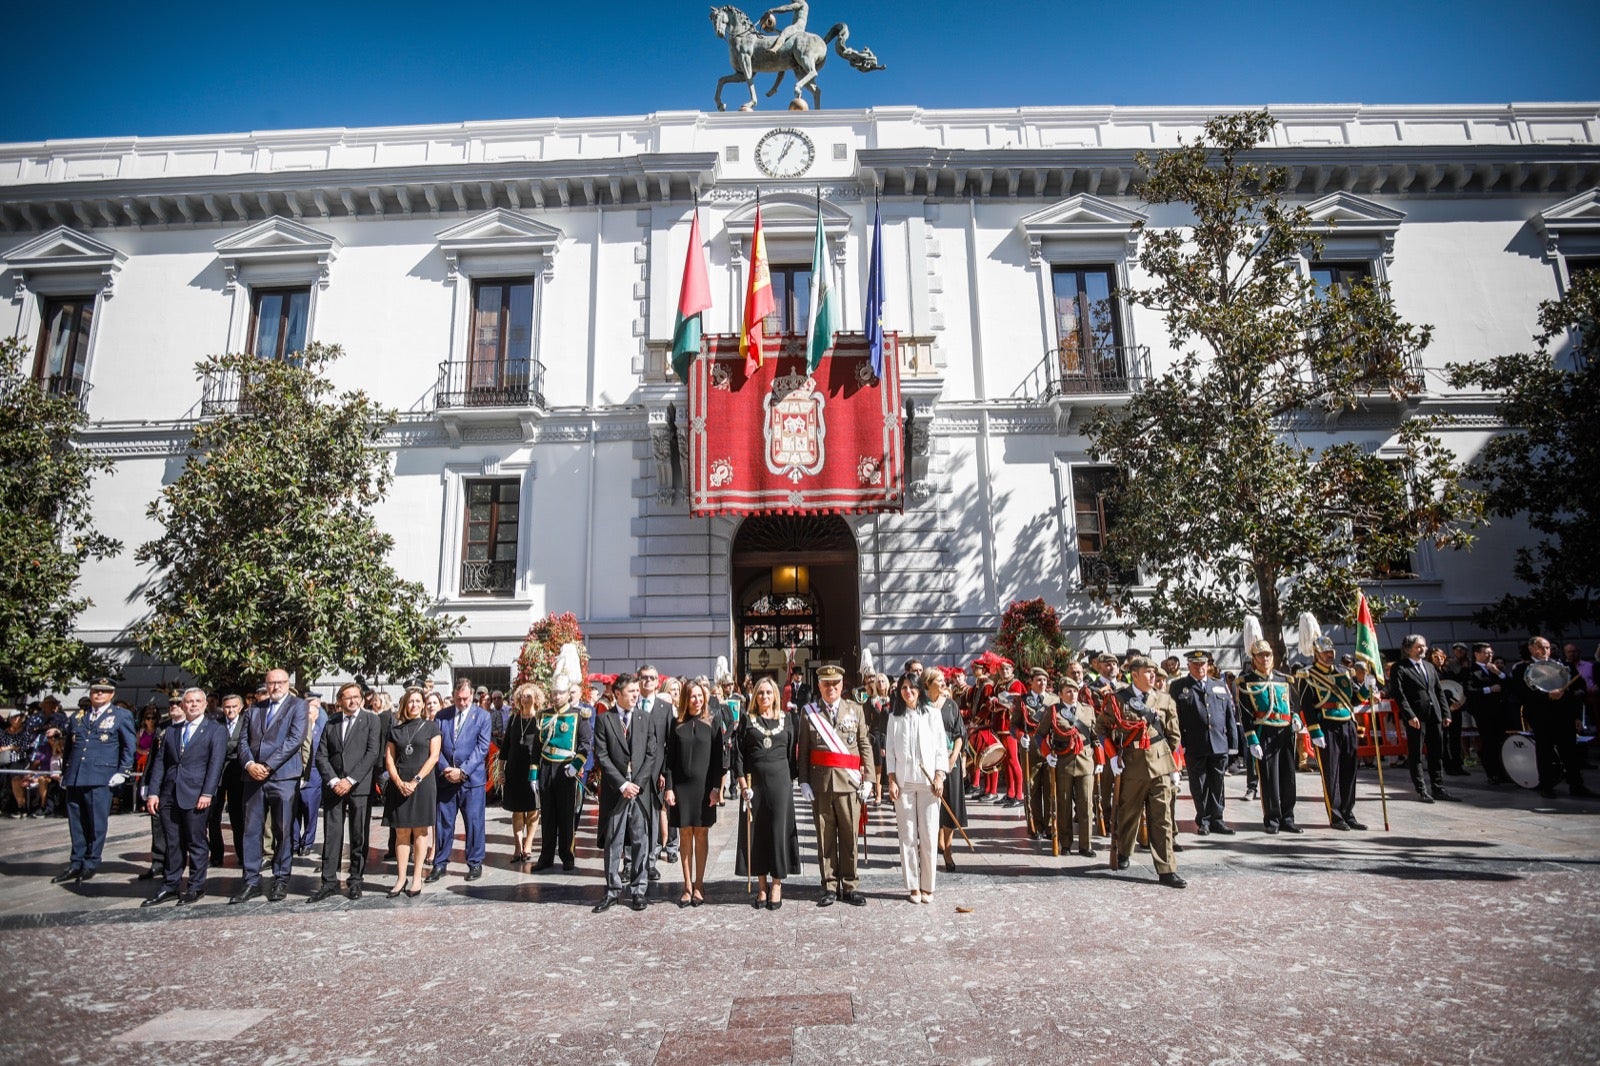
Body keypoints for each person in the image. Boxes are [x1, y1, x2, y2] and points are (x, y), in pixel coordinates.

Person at [1102, 656, 1186, 888]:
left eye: (1154, 672)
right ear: (1135, 675)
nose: (1153, 676)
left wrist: (1173, 766)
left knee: (1163, 819)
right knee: (1128, 815)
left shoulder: (1165, 700)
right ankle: (1123, 852)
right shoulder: (1119, 700)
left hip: (1160, 766)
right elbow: (1101, 729)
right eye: (1147, 672)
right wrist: (1111, 756)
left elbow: (1174, 736)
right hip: (1132, 765)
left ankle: (1167, 869)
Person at [798, 664, 874, 907]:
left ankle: (850, 885)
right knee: (825, 837)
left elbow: (864, 745)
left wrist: (870, 779)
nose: (831, 688)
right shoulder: (808, 712)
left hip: (849, 784)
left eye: (835, 684)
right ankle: (830, 885)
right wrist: (803, 781)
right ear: (819, 686)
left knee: (849, 837)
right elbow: (803, 751)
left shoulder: (856, 709)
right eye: (826, 684)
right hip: (821, 785)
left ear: (842, 685)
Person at [142, 688, 226, 907]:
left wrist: (208, 792)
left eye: (198, 701)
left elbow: (215, 764)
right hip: (170, 794)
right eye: (189, 702)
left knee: (196, 841)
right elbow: (161, 763)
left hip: (197, 794)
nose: (193, 705)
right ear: (183, 704)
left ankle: (196, 886)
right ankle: (170, 884)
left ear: (206, 704)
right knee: (173, 842)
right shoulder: (171, 731)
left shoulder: (214, 730)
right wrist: (153, 793)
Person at [233, 668, 308, 903]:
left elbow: (294, 740)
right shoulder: (254, 709)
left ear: (288, 683)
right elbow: (242, 741)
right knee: (251, 830)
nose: (275, 687)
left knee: (283, 830)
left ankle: (281, 878)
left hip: (283, 777)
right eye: (271, 683)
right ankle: (251, 880)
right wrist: (249, 765)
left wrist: (267, 765)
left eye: (280, 682)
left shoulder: (298, 706)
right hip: (253, 778)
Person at [54, 678, 136, 885]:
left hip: (101, 777)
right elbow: (70, 749)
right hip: (77, 776)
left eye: (103, 691)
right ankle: (76, 861)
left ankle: (91, 861)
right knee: (76, 823)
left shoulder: (120, 716)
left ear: (112, 694)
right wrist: (65, 772)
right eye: (95, 691)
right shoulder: (79, 717)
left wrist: (123, 771)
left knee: (96, 823)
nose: (98, 694)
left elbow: (128, 746)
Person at [307, 683, 383, 902]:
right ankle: (329, 881)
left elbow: (372, 753)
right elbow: (321, 754)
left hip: (358, 786)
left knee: (359, 834)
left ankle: (356, 880)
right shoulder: (331, 722)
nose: (352, 701)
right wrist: (333, 780)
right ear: (340, 700)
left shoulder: (371, 720)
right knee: (332, 835)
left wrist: (349, 780)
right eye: (347, 697)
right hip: (334, 788)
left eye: (356, 697)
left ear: (362, 698)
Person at [592, 673, 658, 913]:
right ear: (617, 694)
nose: (635, 695)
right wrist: (622, 784)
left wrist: (637, 784)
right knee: (614, 841)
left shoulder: (645, 718)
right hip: (616, 791)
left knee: (641, 840)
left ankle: (639, 890)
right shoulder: (604, 720)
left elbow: (651, 754)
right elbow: (601, 755)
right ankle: (612, 890)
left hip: (639, 792)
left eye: (636, 692)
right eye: (631, 692)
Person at [733, 677, 800, 909]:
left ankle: (777, 884)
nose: (764, 697)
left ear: (776, 696)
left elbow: (792, 754)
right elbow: (739, 756)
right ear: (755, 697)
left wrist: (790, 780)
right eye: (760, 693)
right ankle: (762, 886)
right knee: (757, 833)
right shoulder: (747, 720)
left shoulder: (788, 719)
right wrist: (743, 785)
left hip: (780, 785)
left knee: (778, 832)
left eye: (768, 693)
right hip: (755, 786)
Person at [884, 672, 948, 904]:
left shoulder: (932, 714)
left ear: (919, 690)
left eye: (912, 687)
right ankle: (913, 886)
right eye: (903, 688)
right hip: (904, 784)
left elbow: (942, 748)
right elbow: (890, 752)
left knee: (930, 835)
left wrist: (940, 776)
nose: (908, 691)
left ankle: (928, 886)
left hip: (929, 785)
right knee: (908, 836)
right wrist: (891, 780)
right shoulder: (895, 718)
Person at [663, 678, 726, 907]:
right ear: (685, 699)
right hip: (681, 788)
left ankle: (699, 883)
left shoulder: (712, 721)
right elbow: (668, 760)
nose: (697, 700)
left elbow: (720, 759)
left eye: (700, 696)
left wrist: (716, 789)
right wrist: (669, 787)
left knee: (701, 834)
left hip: (704, 789)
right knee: (685, 835)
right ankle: (687, 885)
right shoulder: (676, 723)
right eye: (692, 696)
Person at [1299, 638, 1368, 830]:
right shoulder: (1308, 676)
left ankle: (1349, 812)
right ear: (1316, 654)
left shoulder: (1344, 672)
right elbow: (1307, 706)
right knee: (1332, 773)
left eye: (1331, 651)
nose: (1329, 655)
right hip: (1326, 726)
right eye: (1325, 652)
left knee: (1350, 771)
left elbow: (1354, 699)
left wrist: (1364, 684)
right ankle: (1336, 815)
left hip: (1348, 724)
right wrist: (1314, 731)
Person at [1512, 636, 1594, 799]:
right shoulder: (1522, 669)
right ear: (1531, 649)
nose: (1545, 651)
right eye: (1541, 647)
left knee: (1570, 751)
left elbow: (1579, 687)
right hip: (1541, 717)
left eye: (1547, 648)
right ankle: (1546, 785)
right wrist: (1547, 697)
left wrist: (1576, 707)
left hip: (1564, 715)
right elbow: (1522, 695)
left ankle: (1576, 784)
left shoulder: (1563, 666)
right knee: (1545, 751)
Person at [1237, 641, 1306, 832]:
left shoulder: (1284, 679)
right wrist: (1252, 740)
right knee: (1269, 779)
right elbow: (1245, 713)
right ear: (1254, 658)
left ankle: (1288, 817)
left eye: (1267, 655)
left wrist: (1296, 719)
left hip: (1284, 731)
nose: (1265, 658)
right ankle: (1273, 818)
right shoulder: (1246, 681)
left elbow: (1293, 704)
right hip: (1264, 731)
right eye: (1260, 655)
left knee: (1288, 777)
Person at [428, 678, 490, 883]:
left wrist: (462, 771)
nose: (462, 702)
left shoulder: (482, 716)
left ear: (472, 696)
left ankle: (475, 862)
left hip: (471, 781)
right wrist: (446, 768)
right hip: (446, 779)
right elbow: (435, 746)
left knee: (474, 823)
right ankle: (440, 863)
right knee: (443, 823)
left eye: (466, 698)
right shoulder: (442, 716)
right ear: (453, 696)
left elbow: (482, 748)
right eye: (458, 698)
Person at [1170, 650, 1239, 835]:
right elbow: (1175, 719)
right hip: (1194, 744)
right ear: (1188, 666)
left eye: (1202, 664)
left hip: (1218, 743)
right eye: (1195, 664)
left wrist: (1233, 743)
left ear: (1208, 665)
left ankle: (1218, 819)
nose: (1199, 668)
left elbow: (1228, 715)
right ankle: (1204, 819)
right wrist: (1180, 743)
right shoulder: (1178, 687)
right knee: (1199, 784)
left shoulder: (1218, 684)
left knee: (1218, 783)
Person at [384, 687, 441, 897]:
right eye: (411, 701)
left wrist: (415, 780)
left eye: (418, 701)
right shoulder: (395, 730)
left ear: (423, 704)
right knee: (401, 832)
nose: (414, 705)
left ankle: (417, 877)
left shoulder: (431, 727)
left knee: (420, 831)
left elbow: (434, 756)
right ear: (404, 705)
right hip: (399, 784)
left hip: (422, 784)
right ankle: (401, 878)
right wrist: (398, 781)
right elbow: (389, 758)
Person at [534, 672, 594, 872]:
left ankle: (567, 856)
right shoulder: (544, 715)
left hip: (566, 768)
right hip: (546, 767)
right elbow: (537, 746)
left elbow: (586, 744)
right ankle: (546, 856)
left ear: (568, 693)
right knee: (548, 814)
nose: (556, 696)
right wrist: (533, 774)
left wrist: (576, 765)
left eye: (560, 693)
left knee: (566, 815)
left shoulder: (579, 715)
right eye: (554, 693)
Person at [1390, 635, 1460, 803]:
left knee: (1437, 752)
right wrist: (1409, 715)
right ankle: (1421, 789)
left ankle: (1438, 787)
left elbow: (1439, 691)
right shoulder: (1400, 668)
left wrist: (1446, 713)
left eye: (1424, 646)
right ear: (1408, 649)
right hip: (1416, 717)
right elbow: (1399, 694)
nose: (1422, 649)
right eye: (1418, 647)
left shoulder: (1429, 667)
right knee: (1416, 754)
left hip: (1434, 715)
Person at [1037, 675, 1098, 857]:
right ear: (1061, 695)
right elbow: (1039, 735)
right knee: (1063, 804)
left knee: (1086, 804)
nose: (1072, 694)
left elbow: (1095, 737)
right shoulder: (1053, 711)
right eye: (1068, 691)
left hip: (1085, 760)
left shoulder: (1087, 710)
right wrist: (1047, 754)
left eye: (1075, 691)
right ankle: (1065, 843)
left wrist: (1101, 760)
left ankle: (1086, 845)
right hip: (1063, 761)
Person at [636, 663, 677, 878]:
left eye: (652, 678)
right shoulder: (632, 704)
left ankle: (650, 862)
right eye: (644, 677)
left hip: (656, 774)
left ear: (657, 681)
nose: (648, 681)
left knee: (653, 817)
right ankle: (630, 863)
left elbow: (670, 744)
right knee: (631, 818)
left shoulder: (665, 708)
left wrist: (665, 773)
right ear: (639, 679)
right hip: (633, 773)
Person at [497, 682, 544, 863]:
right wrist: (501, 770)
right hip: (515, 769)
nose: (526, 699)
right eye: (523, 696)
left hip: (532, 769)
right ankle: (517, 846)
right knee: (517, 811)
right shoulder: (514, 719)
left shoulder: (540, 719)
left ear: (536, 698)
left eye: (529, 695)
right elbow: (505, 746)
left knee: (533, 810)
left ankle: (528, 844)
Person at [926, 668, 966, 871]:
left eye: (944, 680)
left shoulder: (951, 705)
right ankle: (930, 849)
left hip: (951, 763)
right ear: (928, 683)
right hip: (929, 764)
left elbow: (960, 734)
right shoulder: (921, 707)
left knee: (950, 809)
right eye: (938, 680)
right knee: (930, 808)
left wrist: (952, 758)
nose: (943, 683)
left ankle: (948, 851)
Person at [207, 693, 247, 868]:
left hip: (237, 776)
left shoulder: (246, 723)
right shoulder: (215, 723)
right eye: (227, 707)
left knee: (237, 818)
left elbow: (243, 747)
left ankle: (242, 854)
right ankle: (216, 855)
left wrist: (224, 747)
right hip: (216, 775)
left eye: (234, 707)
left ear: (241, 707)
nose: (230, 710)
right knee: (213, 818)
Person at [1015, 667, 1055, 839]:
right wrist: (1019, 737)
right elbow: (1013, 725)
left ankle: (1050, 825)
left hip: (1050, 749)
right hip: (1030, 749)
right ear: (1030, 681)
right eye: (1038, 680)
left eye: (1045, 680)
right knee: (1032, 789)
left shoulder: (1054, 700)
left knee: (1050, 788)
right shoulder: (1022, 701)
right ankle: (1035, 826)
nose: (1042, 683)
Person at [1464, 642, 1510, 784]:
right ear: (1477, 654)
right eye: (1486, 652)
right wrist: (1489, 689)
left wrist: (1498, 673)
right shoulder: (1471, 671)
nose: (1490, 655)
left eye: (1491, 652)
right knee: (1489, 742)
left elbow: (1509, 684)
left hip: (1500, 710)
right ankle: (1492, 773)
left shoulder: (1494, 668)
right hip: (1483, 712)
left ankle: (1503, 772)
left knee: (1501, 742)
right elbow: (1468, 690)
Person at [292, 696, 327, 857]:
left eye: (310, 713)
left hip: (313, 776)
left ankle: (307, 842)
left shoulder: (321, 733)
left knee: (310, 812)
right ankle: (294, 842)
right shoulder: (296, 730)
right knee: (293, 812)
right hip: (294, 776)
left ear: (317, 716)